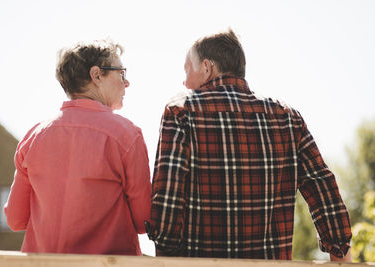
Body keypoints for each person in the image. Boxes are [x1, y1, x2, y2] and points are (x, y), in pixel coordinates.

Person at [147, 29, 352, 261]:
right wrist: (339, 249)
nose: (184, 81)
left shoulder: (181, 111)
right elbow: (322, 187)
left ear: (207, 67)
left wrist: (166, 252)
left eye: (187, 70)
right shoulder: (288, 117)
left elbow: (168, 201)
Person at [4, 39, 151, 255]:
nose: (126, 82)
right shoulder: (127, 135)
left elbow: (15, 219)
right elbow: (144, 221)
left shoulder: (33, 137)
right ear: (97, 75)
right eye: (121, 73)